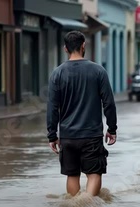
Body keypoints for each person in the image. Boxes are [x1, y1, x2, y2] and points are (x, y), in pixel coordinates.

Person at [47, 30, 117, 197]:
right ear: (83, 45)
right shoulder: (98, 71)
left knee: (72, 175)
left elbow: (52, 107)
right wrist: (112, 128)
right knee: (94, 174)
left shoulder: (57, 74)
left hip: (68, 137)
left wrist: (52, 135)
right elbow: (109, 103)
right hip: (91, 135)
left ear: (65, 49)